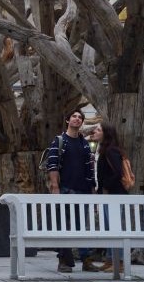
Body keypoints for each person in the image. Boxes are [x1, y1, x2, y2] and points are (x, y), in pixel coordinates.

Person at [45, 109, 96, 273]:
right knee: (64, 227)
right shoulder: (59, 141)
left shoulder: (85, 143)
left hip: (84, 191)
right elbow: (52, 165)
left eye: (80, 117)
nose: (77, 119)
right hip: (66, 190)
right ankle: (64, 261)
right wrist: (55, 187)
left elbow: (90, 168)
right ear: (67, 120)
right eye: (74, 116)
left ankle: (86, 260)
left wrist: (92, 189)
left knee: (82, 228)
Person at [91, 122, 127, 274]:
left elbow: (118, 173)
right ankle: (110, 260)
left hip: (114, 196)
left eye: (99, 129)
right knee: (108, 228)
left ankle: (119, 263)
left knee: (115, 229)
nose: (95, 131)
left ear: (106, 133)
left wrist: (105, 187)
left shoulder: (111, 151)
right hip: (108, 196)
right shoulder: (104, 150)